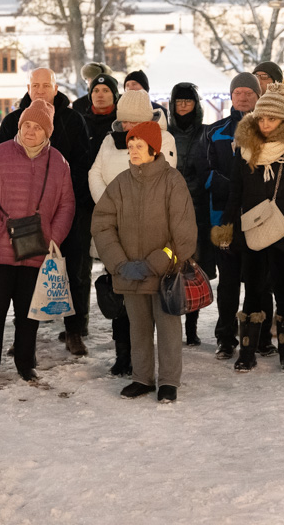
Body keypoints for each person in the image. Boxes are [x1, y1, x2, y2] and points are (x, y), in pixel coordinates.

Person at [212, 83, 284, 373]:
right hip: (252, 229)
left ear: (283, 121)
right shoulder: (244, 150)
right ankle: (247, 352)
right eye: (261, 119)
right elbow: (235, 193)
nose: (265, 124)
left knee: (282, 290)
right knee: (253, 290)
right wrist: (226, 228)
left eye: (271, 119)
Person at [0, 99, 75, 384]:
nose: (30, 131)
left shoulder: (59, 162)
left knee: (29, 312)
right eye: (26, 125)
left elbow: (67, 205)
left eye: (37, 127)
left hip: (36, 248)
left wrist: (52, 237)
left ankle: (25, 363)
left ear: (47, 132)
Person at [92, 120, 196, 402]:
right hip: (129, 273)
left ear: (154, 149)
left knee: (168, 328)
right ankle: (142, 378)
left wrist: (155, 264)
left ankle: (169, 381)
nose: (133, 151)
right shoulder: (120, 183)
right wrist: (120, 264)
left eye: (139, 146)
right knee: (137, 328)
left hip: (164, 275)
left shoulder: (172, 181)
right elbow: (102, 224)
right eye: (131, 146)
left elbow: (184, 235)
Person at [0, 68, 92, 356]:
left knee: (73, 273)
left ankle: (74, 331)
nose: (39, 90)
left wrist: (62, 202)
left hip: (67, 212)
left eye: (45, 85)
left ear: (55, 88)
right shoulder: (14, 121)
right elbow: (0, 165)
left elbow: (83, 167)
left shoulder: (74, 121)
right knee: (23, 276)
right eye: (34, 85)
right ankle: (22, 336)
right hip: (23, 216)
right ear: (28, 87)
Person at [88, 89, 177, 376]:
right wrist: (111, 206)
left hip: (151, 234)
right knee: (120, 295)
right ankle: (124, 354)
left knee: (153, 302)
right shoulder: (109, 140)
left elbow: (162, 181)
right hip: (115, 230)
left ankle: (161, 368)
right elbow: (95, 173)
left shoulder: (164, 140)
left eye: (131, 121)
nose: (125, 127)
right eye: (122, 120)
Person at [197, 73, 276, 360]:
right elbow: (202, 172)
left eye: (249, 93)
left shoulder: (271, 129)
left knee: (261, 283)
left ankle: (262, 336)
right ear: (230, 97)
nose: (243, 98)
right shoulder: (214, 131)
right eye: (238, 93)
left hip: (260, 219)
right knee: (228, 285)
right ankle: (225, 338)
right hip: (224, 220)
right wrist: (232, 187)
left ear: (258, 96)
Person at [167, 81, 214, 346]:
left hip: (198, 210)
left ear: (196, 105)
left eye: (188, 102)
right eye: (179, 102)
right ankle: (172, 321)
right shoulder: (166, 133)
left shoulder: (206, 133)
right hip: (171, 210)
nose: (183, 106)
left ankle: (192, 328)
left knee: (193, 268)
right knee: (170, 268)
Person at [82, 73, 120, 163]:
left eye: (105, 91)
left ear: (114, 95)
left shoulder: (121, 122)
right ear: (91, 95)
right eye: (95, 91)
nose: (100, 95)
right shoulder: (81, 122)